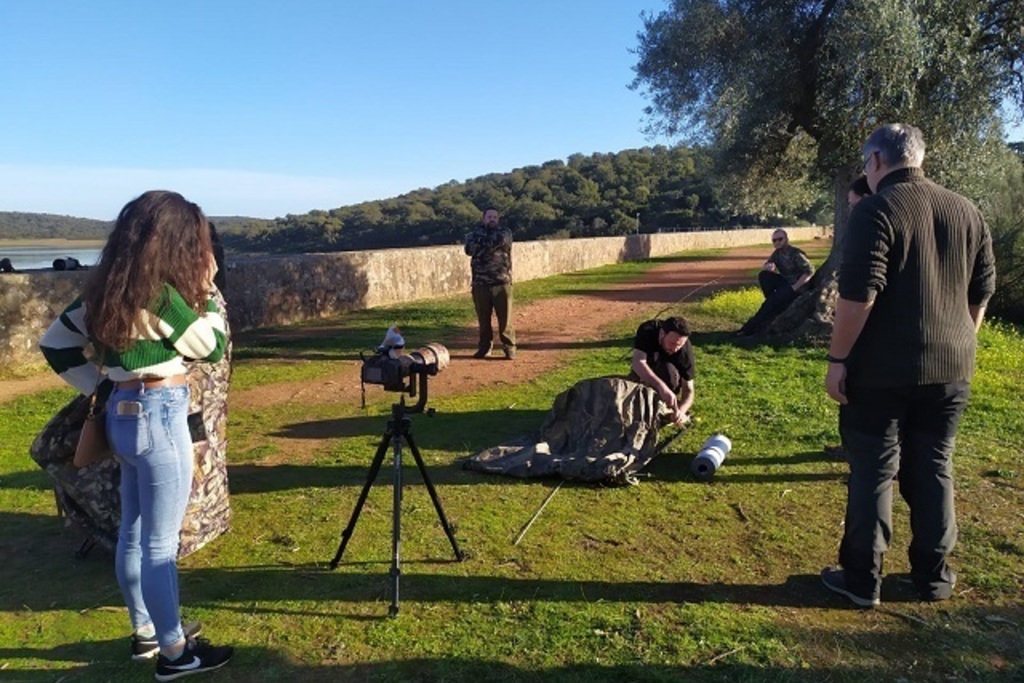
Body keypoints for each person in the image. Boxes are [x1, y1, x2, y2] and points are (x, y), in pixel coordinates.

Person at [39, 190, 234, 678]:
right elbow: (210, 347)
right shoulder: (163, 297)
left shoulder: (105, 292)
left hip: (121, 415)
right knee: (159, 545)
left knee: (133, 530)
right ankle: (175, 653)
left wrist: (100, 386)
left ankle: (146, 631)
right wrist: (208, 290)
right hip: (161, 412)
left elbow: (55, 343)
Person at [822, 124, 996, 608]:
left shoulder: (876, 210)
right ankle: (934, 576)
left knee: (874, 471)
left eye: (864, 164)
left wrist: (838, 359)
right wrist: (961, 339)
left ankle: (861, 579)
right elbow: (981, 291)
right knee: (935, 466)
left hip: (881, 372)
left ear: (876, 160)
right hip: (952, 368)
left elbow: (859, 295)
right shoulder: (966, 209)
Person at [735, 229, 815, 336]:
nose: (777, 242)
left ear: (786, 239)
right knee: (764, 275)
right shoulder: (777, 254)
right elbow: (768, 264)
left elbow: (810, 271)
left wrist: (795, 287)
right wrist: (768, 267)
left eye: (780, 239)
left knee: (769, 305)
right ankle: (773, 299)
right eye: (774, 240)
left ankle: (748, 329)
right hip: (786, 284)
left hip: (797, 287)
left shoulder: (795, 254)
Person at [464, 207, 516, 359]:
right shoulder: (473, 233)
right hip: (480, 282)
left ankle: (509, 347)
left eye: (494, 217)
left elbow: (500, 241)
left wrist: (481, 245)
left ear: (498, 219)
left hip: (501, 281)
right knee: (483, 318)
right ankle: (485, 347)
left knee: (505, 318)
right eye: (489, 217)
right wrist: (487, 245)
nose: (492, 219)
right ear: (484, 218)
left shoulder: (505, 232)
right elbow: (469, 250)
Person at [629, 316, 695, 427]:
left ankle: (660, 405)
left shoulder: (685, 352)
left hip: (669, 374)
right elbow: (638, 363)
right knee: (636, 382)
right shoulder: (647, 330)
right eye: (672, 343)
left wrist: (681, 412)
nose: (675, 348)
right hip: (647, 363)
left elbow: (688, 390)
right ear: (661, 334)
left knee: (670, 375)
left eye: (679, 345)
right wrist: (661, 387)